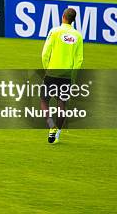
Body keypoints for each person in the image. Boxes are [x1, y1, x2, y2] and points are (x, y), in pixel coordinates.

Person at [40, 8, 84, 144]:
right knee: (62, 103)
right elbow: (79, 59)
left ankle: (51, 125)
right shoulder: (78, 36)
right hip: (67, 75)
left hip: (52, 71)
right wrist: (73, 76)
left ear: (63, 16)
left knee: (44, 100)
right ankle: (57, 133)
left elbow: (45, 54)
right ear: (73, 20)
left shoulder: (54, 32)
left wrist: (46, 68)